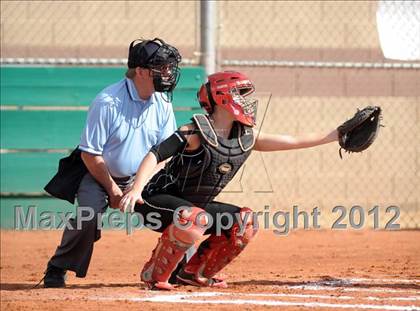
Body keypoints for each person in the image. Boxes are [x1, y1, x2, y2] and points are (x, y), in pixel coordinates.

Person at [119, 71, 339, 290]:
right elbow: (155, 154)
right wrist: (137, 189)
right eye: (240, 94)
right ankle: (154, 275)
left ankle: (194, 273)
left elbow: (293, 140)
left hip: (195, 211)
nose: (247, 101)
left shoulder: (245, 136)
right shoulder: (194, 131)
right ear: (222, 96)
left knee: (245, 221)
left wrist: (337, 134)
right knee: (195, 217)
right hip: (154, 201)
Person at [43, 38, 182, 288]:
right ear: (140, 71)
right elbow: (90, 155)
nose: (168, 73)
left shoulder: (163, 102)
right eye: (161, 68)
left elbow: (166, 152)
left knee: (180, 211)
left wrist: (138, 185)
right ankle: (58, 266)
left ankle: (177, 267)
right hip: (100, 175)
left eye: (169, 67)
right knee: (89, 214)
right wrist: (113, 190)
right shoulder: (108, 102)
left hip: (144, 177)